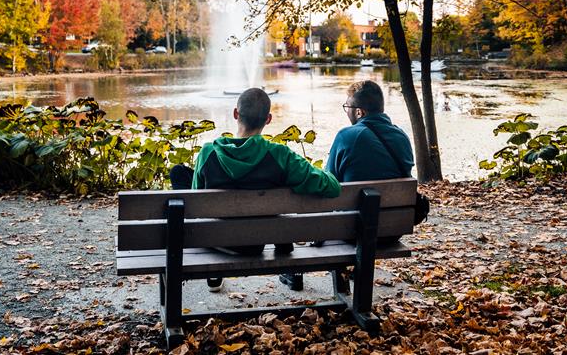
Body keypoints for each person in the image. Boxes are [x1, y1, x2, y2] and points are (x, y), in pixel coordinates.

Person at [170, 87, 341, 292]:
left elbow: (196, 206)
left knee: (179, 173)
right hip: (256, 241)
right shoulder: (280, 155)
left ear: (235, 114)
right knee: (284, 177)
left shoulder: (208, 152)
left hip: (213, 238)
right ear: (268, 119)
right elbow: (331, 187)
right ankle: (281, 243)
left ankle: (214, 270)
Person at [279, 80, 414, 292]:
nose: (347, 112)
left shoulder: (347, 136)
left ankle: (295, 270)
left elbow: (327, 182)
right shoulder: (402, 137)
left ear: (359, 112)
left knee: (322, 203)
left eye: (347, 107)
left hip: (352, 230)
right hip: (391, 229)